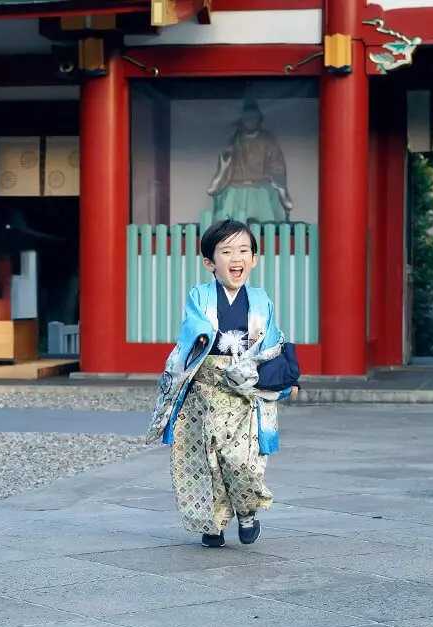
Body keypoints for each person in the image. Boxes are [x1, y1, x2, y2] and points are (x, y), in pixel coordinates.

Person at [145, 219, 301, 547]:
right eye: (226, 251)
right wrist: (204, 336)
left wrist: (284, 381)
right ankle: (212, 522)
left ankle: (246, 512)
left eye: (244, 250)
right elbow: (195, 330)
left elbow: (271, 342)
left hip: (246, 390)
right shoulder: (199, 296)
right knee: (206, 459)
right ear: (209, 263)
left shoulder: (261, 300)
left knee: (242, 459)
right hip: (205, 391)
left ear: (254, 259)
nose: (236, 258)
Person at [206, 96, 294, 224]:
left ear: (260, 120)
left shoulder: (268, 140)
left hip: (261, 188)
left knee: (266, 225)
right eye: (247, 119)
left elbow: (277, 166)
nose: (251, 122)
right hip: (235, 189)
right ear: (241, 120)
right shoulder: (234, 139)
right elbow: (225, 163)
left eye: (254, 118)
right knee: (230, 228)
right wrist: (227, 158)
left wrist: (280, 188)